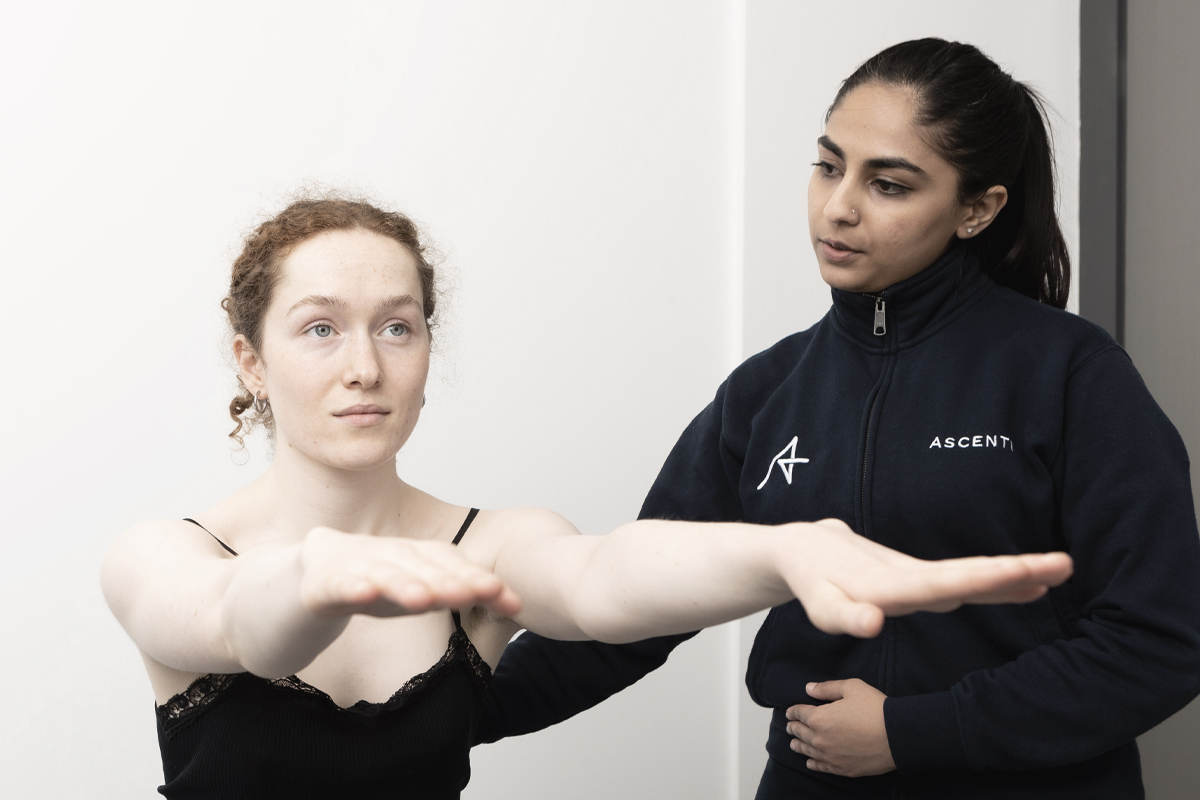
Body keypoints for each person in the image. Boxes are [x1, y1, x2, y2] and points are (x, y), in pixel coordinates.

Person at [100, 197, 1071, 800]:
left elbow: (607, 578)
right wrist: (315, 575)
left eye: (397, 327)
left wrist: (782, 551)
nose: (364, 365)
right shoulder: (165, 555)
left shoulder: (485, 547)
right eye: (320, 329)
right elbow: (238, 627)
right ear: (251, 360)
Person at [474, 38, 1200, 799]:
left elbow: (1155, 642)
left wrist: (913, 732)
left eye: (888, 184)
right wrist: (433, 714)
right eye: (828, 166)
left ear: (977, 211)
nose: (839, 206)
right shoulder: (766, 391)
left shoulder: (1070, 373)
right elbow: (635, 610)